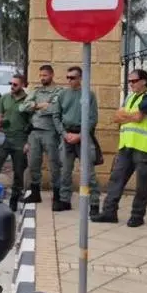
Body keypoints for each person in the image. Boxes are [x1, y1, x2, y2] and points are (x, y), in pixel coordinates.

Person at [92, 69, 147, 228]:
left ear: (144, 81)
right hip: (126, 146)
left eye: (134, 81)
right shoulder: (129, 97)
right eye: (129, 81)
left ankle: (137, 215)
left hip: (143, 147)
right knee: (116, 179)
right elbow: (116, 118)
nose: (131, 84)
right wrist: (129, 116)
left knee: (142, 184)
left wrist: (126, 116)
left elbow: (138, 117)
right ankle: (109, 212)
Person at [55, 66, 102, 214]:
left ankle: (94, 204)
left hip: (83, 136)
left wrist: (80, 135)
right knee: (65, 171)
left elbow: (93, 118)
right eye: (67, 77)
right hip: (67, 136)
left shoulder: (89, 95)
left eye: (72, 78)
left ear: (80, 78)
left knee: (89, 172)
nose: (69, 80)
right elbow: (56, 116)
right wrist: (64, 134)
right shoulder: (62, 94)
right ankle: (64, 200)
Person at [19, 65, 65, 204]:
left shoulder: (59, 91)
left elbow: (53, 108)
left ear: (51, 75)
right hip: (34, 132)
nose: (42, 78)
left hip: (50, 132)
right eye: (41, 75)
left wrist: (35, 106)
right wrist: (39, 105)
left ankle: (57, 195)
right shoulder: (36, 91)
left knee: (54, 164)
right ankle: (35, 193)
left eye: (45, 75)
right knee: (33, 163)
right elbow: (22, 107)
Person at [0, 74, 32, 211]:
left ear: (23, 85)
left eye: (15, 84)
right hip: (4, 138)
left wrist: (28, 143)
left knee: (18, 172)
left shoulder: (28, 101)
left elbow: (32, 123)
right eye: (11, 84)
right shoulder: (4, 98)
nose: (12, 87)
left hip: (20, 140)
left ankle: (14, 200)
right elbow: (0, 115)